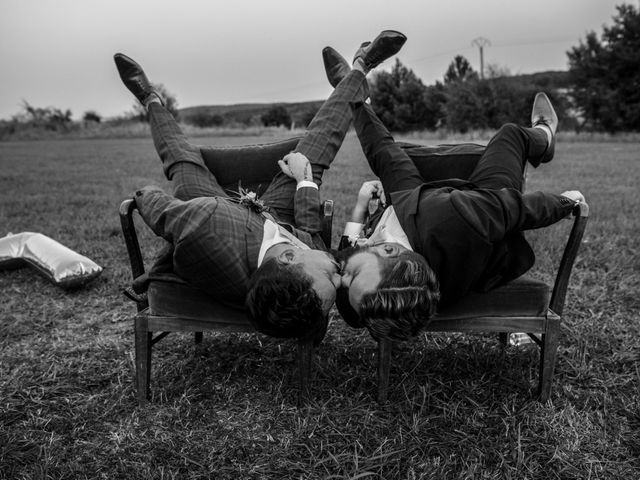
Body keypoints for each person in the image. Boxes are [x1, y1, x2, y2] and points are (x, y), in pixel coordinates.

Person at [113, 30, 407, 342]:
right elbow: (310, 239)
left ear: (289, 258)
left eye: (331, 276)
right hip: (275, 218)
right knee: (311, 153)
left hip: (215, 211)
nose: (340, 277)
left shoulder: (206, 227)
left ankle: (150, 99)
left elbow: (153, 203)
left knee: (181, 160)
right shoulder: (303, 281)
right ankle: (359, 70)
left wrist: (147, 194)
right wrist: (304, 180)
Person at [321, 47, 586, 341]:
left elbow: (348, 289)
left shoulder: (365, 295)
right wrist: (567, 202)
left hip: (410, 208)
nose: (340, 276)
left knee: (385, 153)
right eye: (351, 275)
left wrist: (359, 210)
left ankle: (352, 89)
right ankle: (545, 135)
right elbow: (514, 208)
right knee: (511, 135)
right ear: (388, 249)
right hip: (476, 212)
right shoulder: (453, 221)